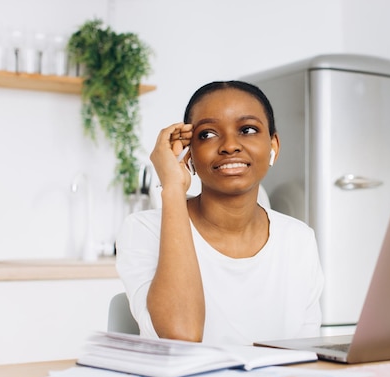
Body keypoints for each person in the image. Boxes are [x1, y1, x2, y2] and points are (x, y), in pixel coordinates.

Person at [115, 80, 324, 345]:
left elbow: (307, 356)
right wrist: (172, 188)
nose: (229, 146)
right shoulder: (143, 230)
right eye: (208, 134)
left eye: (247, 129)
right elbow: (182, 335)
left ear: (274, 146)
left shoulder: (298, 238)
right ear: (188, 155)